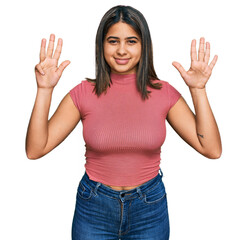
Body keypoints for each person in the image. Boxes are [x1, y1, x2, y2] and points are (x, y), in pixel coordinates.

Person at [25, 5, 222, 240]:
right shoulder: (83, 93)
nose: (121, 50)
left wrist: (198, 90)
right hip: (94, 207)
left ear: (143, 46)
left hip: (149, 207)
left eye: (131, 41)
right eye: (113, 41)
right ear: (102, 46)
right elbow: (35, 149)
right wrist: (44, 90)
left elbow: (211, 149)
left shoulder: (164, 93)